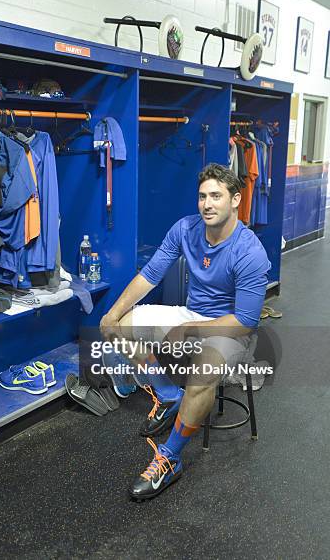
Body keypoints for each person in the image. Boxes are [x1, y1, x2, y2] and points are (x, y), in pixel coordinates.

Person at [100, 163, 271, 500]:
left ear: (236, 200)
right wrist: (112, 315)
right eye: (203, 196)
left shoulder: (250, 251)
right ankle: (166, 394)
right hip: (190, 314)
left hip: (229, 327)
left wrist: (189, 329)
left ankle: (170, 457)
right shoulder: (185, 229)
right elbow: (149, 275)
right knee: (119, 329)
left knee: (203, 372)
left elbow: (247, 320)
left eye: (217, 196)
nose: (207, 204)